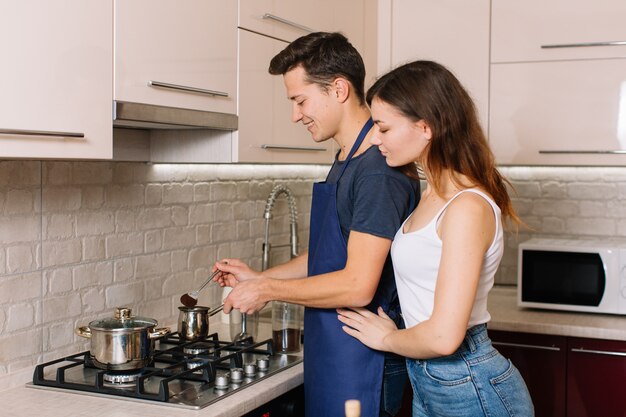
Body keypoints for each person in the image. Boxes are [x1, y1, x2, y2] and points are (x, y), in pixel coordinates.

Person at [213, 32, 420, 417]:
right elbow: (329, 256)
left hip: (363, 358)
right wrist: (258, 278)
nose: (295, 114)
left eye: (300, 100)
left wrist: (269, 290)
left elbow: (358, 285)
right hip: (334, 349)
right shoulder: (347, 157)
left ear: (338, 89)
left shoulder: (376, 171)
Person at [337, 60, 535, 417]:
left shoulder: (466, 207)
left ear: (425, 127)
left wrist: (386, 338)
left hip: (470, 384)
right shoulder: (431, 196)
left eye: (383, 127)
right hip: (431, 381)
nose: (375, 138)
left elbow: (445, 337)